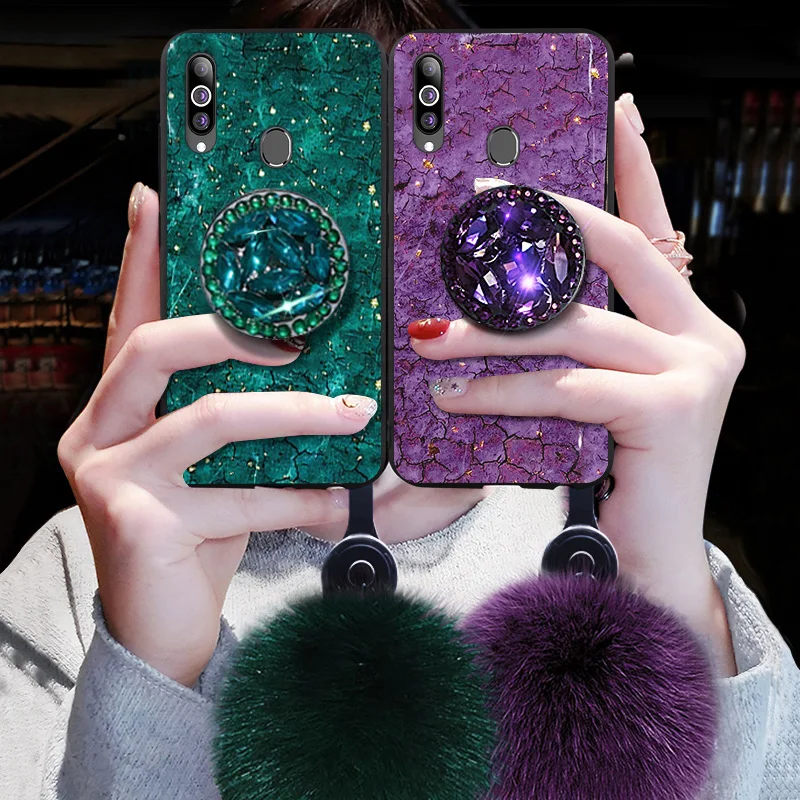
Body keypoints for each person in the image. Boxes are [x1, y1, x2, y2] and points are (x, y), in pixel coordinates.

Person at [1, 3, 798, 798]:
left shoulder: (638, 544)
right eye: (319, 226)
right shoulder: (86, 565)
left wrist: (669, 589)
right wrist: (154, 669)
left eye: (428, 218)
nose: (376, 288)